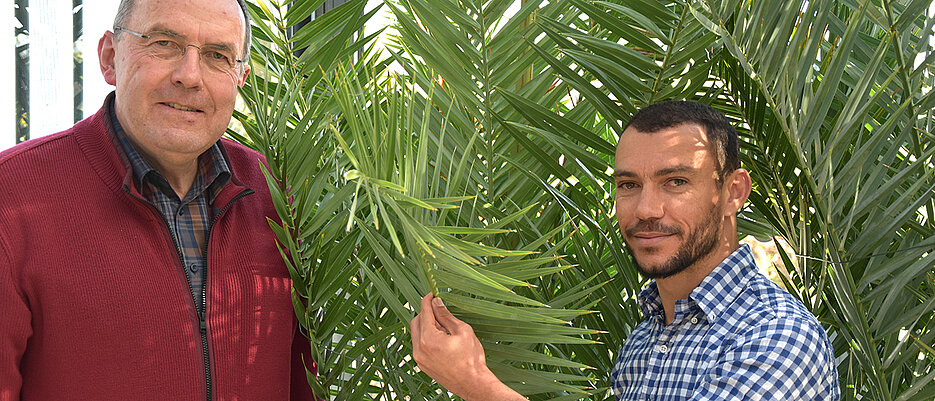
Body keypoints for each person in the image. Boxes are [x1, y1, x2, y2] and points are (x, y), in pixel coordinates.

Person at [410, 100, 840, 400]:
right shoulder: (646, 339)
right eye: (629, 185)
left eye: (676, 182)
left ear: (732, 193)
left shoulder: (777, 340)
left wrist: (476, 384)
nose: (647, 209)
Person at [0, 1, 314, 399]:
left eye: (218, 56)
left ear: (240, 78)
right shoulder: (11, 198)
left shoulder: (277, 197)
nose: (190, 76)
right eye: (164, 43)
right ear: (110, 58)